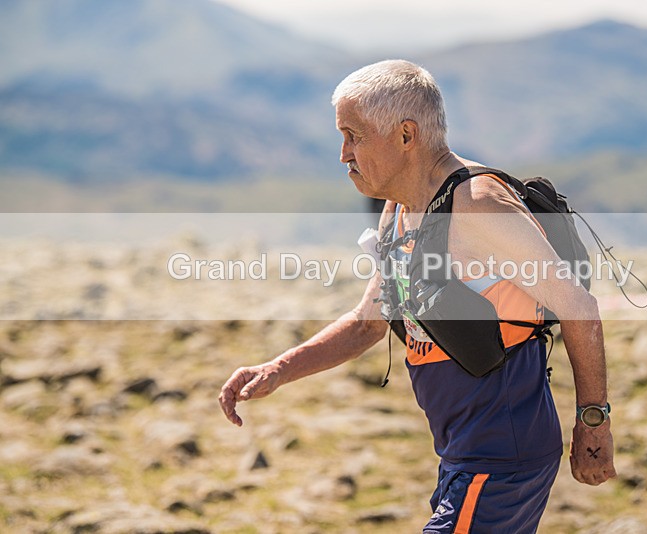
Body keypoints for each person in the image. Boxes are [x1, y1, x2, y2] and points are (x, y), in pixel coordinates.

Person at [219, 59, 615, 532]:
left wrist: (593, 421)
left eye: (355, 135)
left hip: (501, 456)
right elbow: (369, 320)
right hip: (460, 455)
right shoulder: (399, 210)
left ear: (406, 135)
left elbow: (578, 306)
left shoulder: (478, 205)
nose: (344, 153)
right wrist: (279, 369)